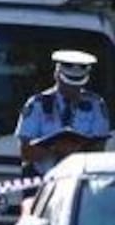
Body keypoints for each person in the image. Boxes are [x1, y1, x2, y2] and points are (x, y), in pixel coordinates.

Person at [17, 50, 111, 178]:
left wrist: (76, 150)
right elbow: (25, 153)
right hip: (43, 177)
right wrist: (54, 149)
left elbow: (99, 149)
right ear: (57, 75)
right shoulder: (37, 104)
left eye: (77, 84)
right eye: (67, 83)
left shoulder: (96, 105)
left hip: (79, 178)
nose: (72, 88)